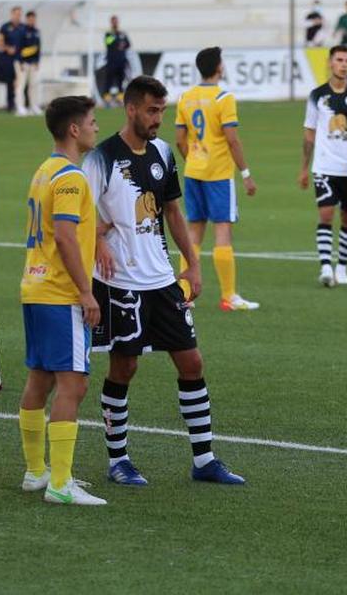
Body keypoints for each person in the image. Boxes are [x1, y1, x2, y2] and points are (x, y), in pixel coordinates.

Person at [86, 76, 244, 488]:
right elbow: (79, 217)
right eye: (153, 110)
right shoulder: (101, 158)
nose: (159, 119)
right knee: (125, 366)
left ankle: (205, 459)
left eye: (163, 110)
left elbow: (173, 212)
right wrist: (97, 241)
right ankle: (118, 459)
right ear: (131, 108)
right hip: (121, 282)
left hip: (161, 277)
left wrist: (192, 263)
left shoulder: (161, 152)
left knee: (191, 361)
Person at [18, 96, 103, 506]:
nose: (95, 127)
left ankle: (37, 472)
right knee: (74, 383)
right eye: (91, 121)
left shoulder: (44, 171)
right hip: (60, 293)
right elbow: (66, 235)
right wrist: (86, 292)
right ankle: (60, 484)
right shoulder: (71, 177)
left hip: (34, 287)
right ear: (74, 129)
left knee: (40, 379)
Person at [173, 47, 258, 312]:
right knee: (222, 231)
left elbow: (179, 139)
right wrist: (245, 173)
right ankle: (229, 296)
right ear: (219, 67)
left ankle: (185, 295)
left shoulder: (186, 97)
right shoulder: (224, 98)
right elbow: (232, 139)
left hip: (193, 172)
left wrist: (194, 160)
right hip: (219, 174)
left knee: (193, 233)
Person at [299, 46, 347, 288]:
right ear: (330, 63)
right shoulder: (317, 96)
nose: (343, 64)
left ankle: (341, 268)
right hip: (324, 166)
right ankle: (325, 267)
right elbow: (309, 133)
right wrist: (304, 168)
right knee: (325, 214)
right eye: (339, 60)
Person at [0, 6, 25, 113]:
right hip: (8, 59)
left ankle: (23, 104)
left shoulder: (23, 27)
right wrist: (8, 48)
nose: (18, 16)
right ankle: (10, 105)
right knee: (10, 82)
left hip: (20, 59)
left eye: (19, 14)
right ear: (12, 14)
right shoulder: (5, 27)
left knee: (21, 83)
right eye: (16, 14)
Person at [14, 10, 41, 116]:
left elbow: (38, 48)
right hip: (22, 63)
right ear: (27, 19)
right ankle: (20, 107)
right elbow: (18, 48)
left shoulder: (36, 31)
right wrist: (20, 62)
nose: (32, 21)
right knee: (21, 85)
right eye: (30, 19)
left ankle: (33, 106)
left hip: (32, 63)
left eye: (33, 19)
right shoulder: (21, 31)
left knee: (33, 84)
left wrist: (37, 61)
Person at [102, 16, 131, 108]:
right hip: (111, 62)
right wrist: (118, 41)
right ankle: (107, 100)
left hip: (121, 62)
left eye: (116, 21)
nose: (115, 23)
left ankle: (120, 99)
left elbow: (128, 44)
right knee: (109, 81)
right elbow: (108, 43)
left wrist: (121, 43)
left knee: (120, 81)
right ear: (111, 23)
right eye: (113, 21)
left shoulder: (122, 33)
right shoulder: (108, 34)